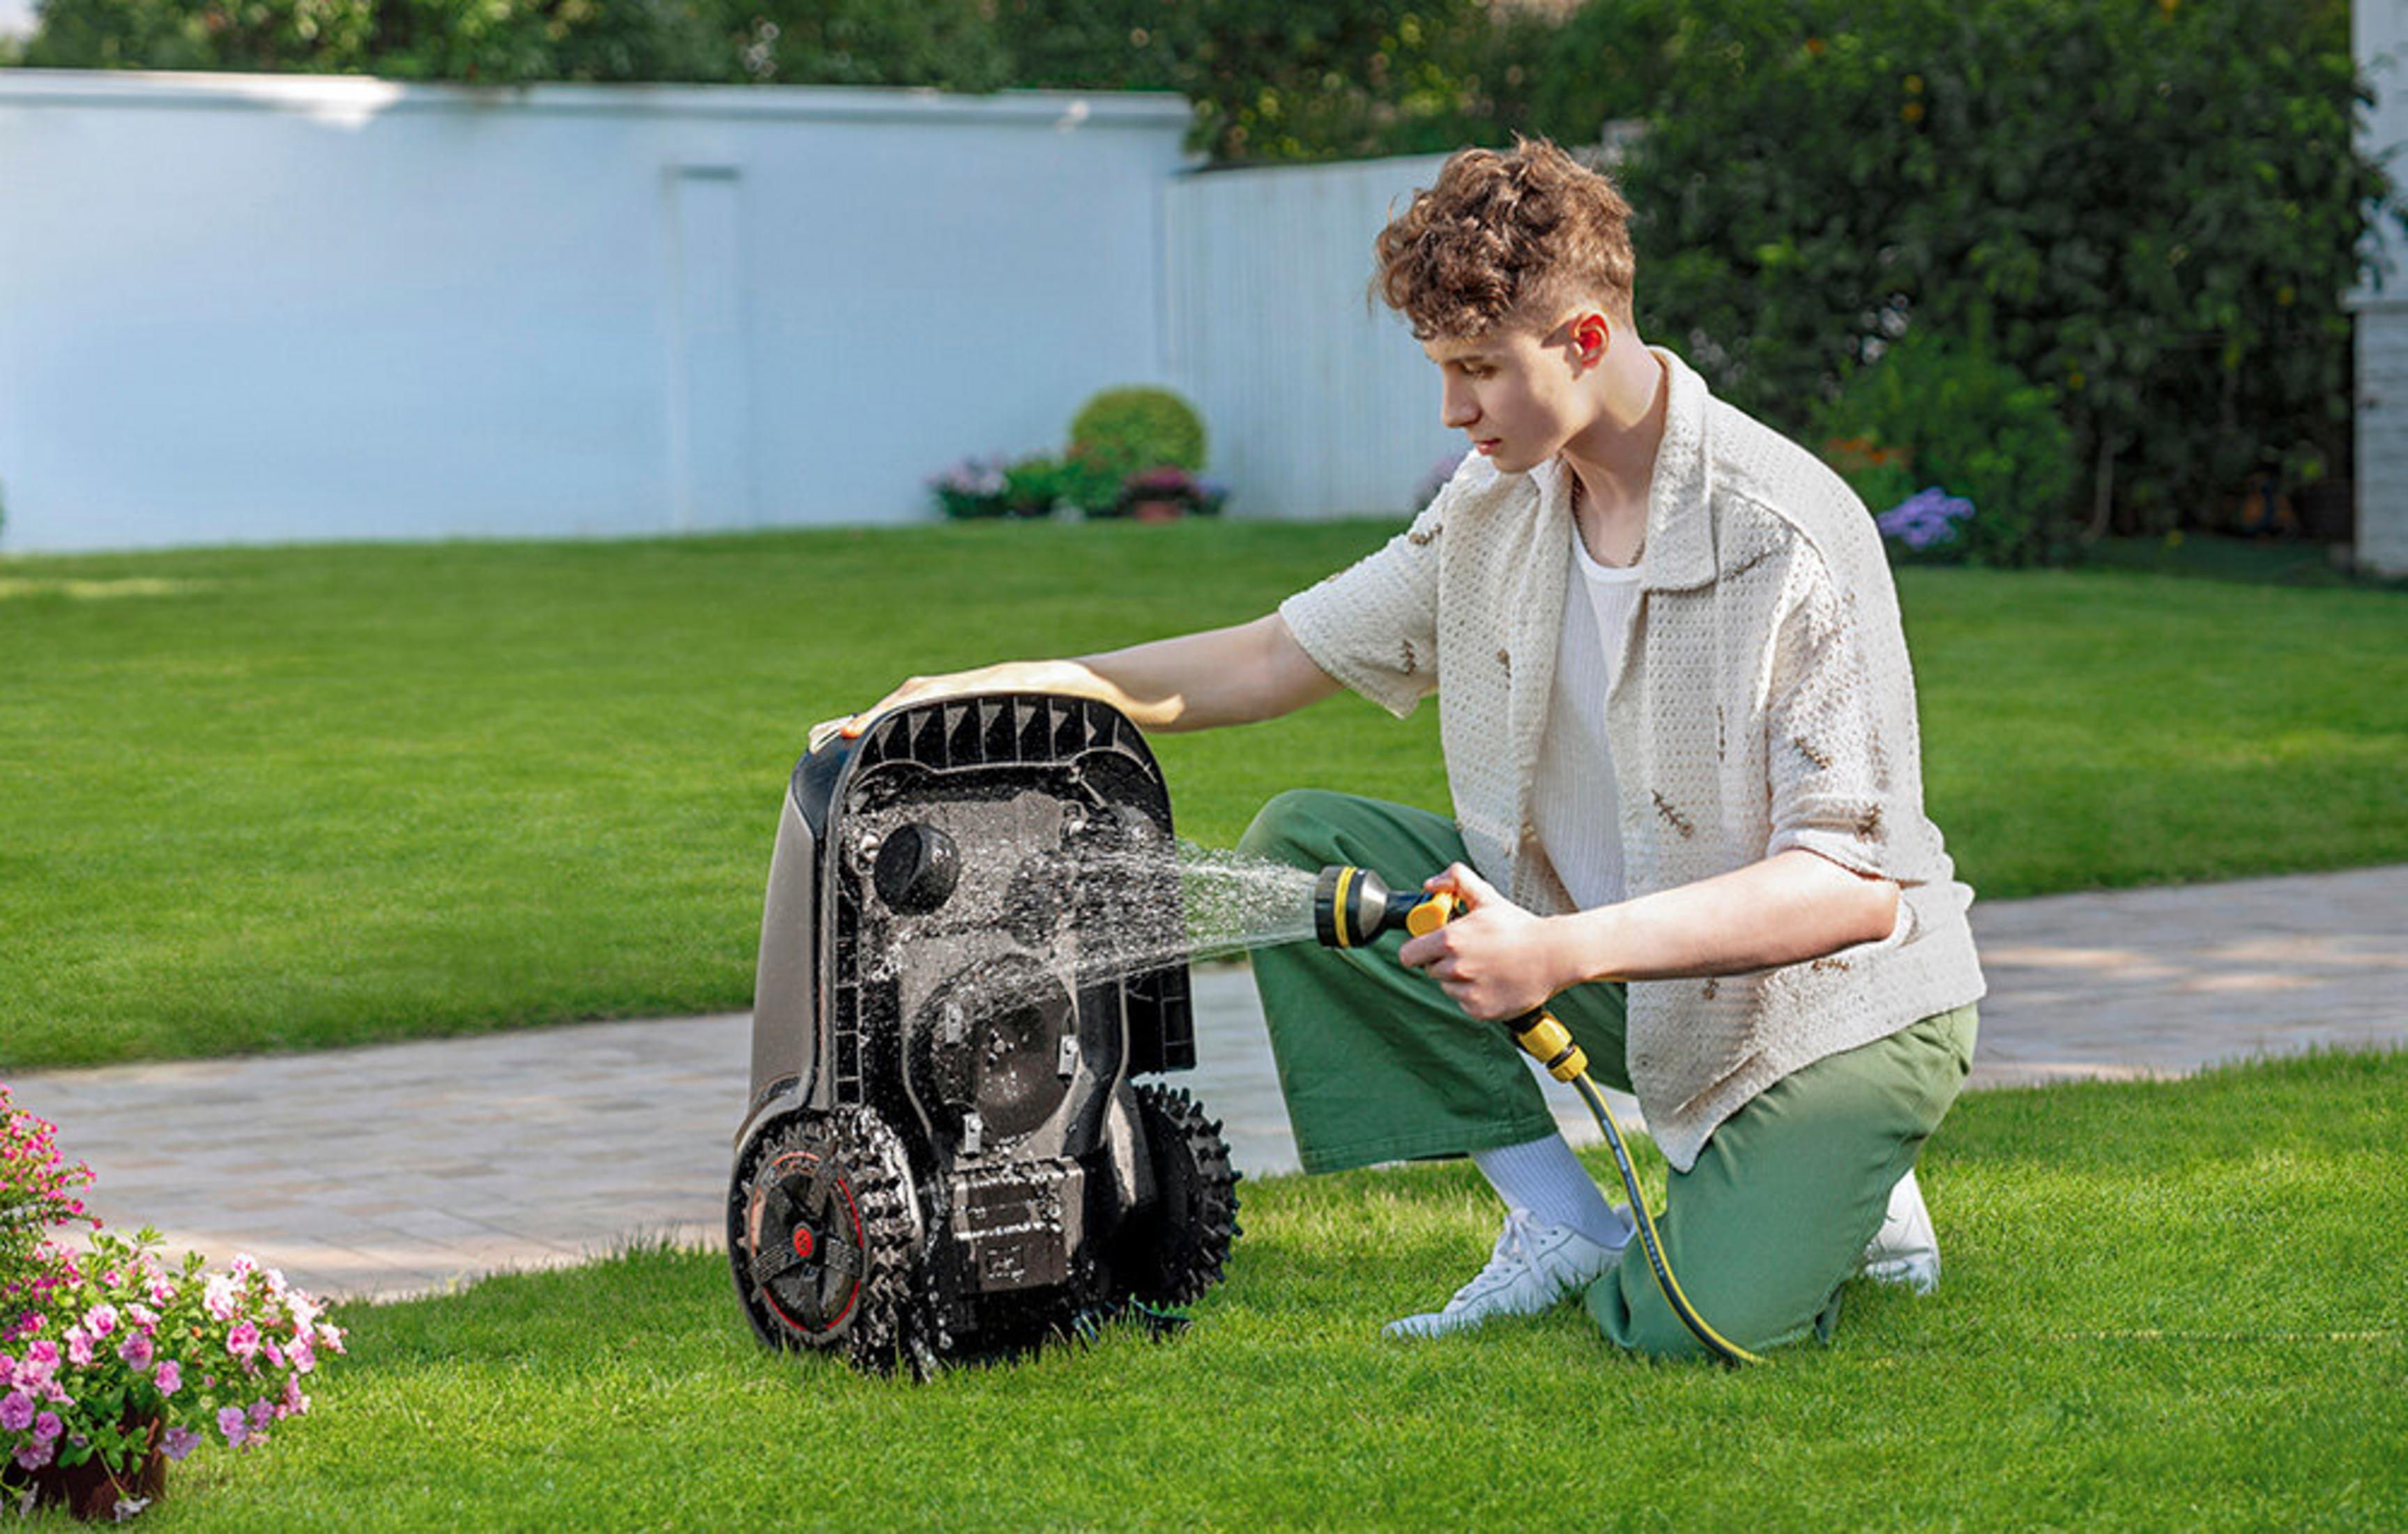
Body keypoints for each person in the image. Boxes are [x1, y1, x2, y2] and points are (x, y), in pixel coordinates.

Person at [843, 135, 1985, 1358]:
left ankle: (1845, 1180)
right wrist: (1003, 685)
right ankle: (1567, 1226)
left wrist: (1551, 949)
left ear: (1585, 340)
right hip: (1619, 972)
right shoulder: (1497, 504)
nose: (1452, 409)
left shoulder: (1779, 534)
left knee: (1687, 1332)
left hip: (1820, 1013)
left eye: (1480, 369)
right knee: (1308, 849)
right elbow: (1271, 659)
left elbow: (1850, 889)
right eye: (1441, 367)